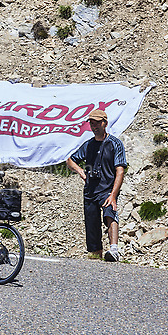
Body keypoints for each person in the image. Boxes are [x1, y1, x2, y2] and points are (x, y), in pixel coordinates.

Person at [66, 109, 126, 262]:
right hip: (90, 191)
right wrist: (80, 171)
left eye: (97, 123)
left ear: (105, 123)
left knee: (110, 212)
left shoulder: (115, 144)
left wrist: (113, 194)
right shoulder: (88, 145)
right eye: (92, 123)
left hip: (107, 188)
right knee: (92, 225)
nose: (94, 126)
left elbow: (120, 170)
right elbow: (70, 160)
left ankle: (113, 250)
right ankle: (96, 258)